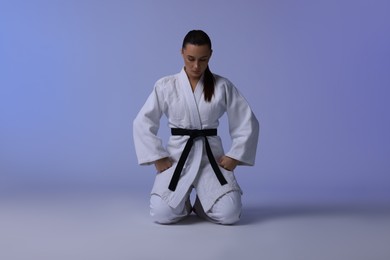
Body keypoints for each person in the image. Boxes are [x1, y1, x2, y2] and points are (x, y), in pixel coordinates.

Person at [133, 30, 259, 225]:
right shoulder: (166, 85)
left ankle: (202, 205)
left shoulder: (221, 85)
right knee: (161, 213)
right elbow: (142, 122)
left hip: (211, 160)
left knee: (230, 214)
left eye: (203, 59)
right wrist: (157, 156)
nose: (196, 66)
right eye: (190, 58)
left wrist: (235, 155)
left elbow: (247, 120)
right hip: (177, 160)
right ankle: (184, 205)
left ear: (210, 56)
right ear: (182, 52)